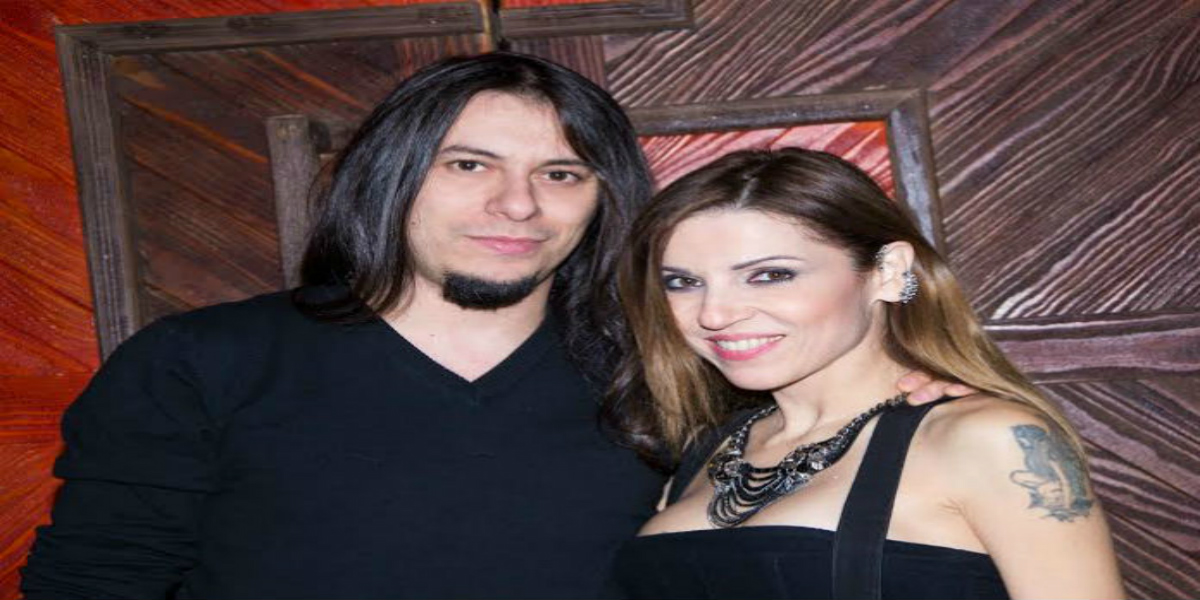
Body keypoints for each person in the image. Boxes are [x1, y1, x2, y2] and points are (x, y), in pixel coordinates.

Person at [22, 53, 960, 599]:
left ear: (602, 200)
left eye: (562, 174)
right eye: (468, 165)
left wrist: (903, 393)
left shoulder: (675, 371)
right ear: (392, 177)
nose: (517, 205)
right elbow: (97, 585)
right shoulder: (203, 362)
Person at [607, 148, 1124, 599]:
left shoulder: (987, 438)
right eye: (683, 283)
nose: (714, 314)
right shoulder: (705, 449)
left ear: (887, 272)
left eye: (770, 275)